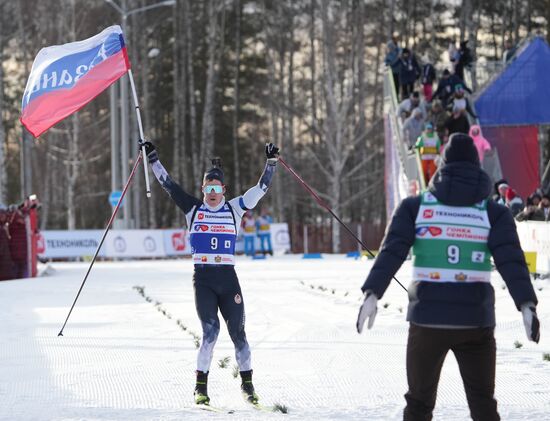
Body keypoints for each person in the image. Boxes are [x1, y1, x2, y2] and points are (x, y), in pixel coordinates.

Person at [356, 133, 540, 421]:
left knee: (418, 404)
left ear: (442, 166)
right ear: (477, 167)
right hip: (476, 323)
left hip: (427, 321)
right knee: (483, 405)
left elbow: (390, 253)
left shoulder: (415, 207)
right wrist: (527, 305)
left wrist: (372, 294)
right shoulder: (493, 213)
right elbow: (511, 262)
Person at [141, 140, 280, 406]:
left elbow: (260, 189)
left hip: (228, 280)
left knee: (239, 334)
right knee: (210, 333)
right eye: (208, 188)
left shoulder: (234, 208)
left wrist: (271, 164)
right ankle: (200, 387)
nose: (212, 192)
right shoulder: (194, 209)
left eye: (217, 188)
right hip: (204, 280)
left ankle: (248, 385)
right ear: (203, 189)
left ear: (223, 189)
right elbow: (169, 186)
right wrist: (153, 159)